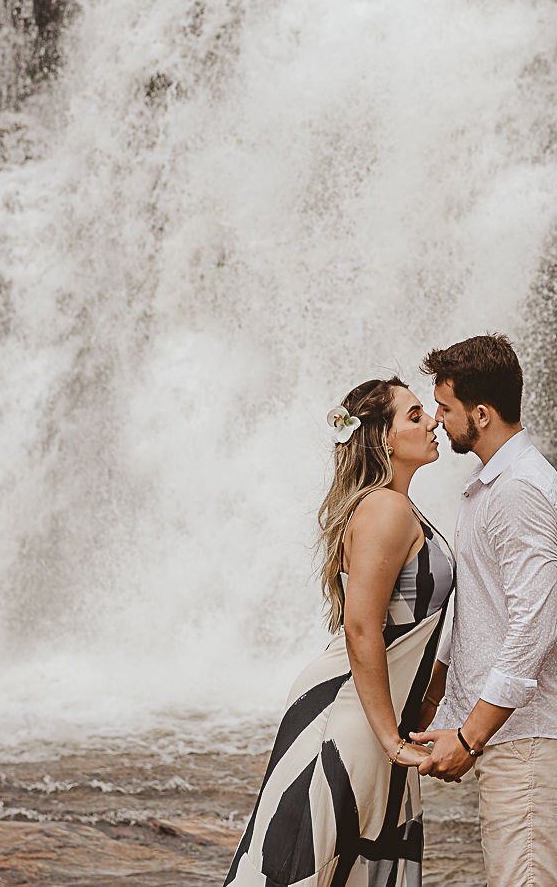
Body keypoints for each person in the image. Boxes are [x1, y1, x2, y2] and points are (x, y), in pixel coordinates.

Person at [224, 376, 454, 887]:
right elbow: (359, 626)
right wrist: (391, 741)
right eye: (415, 415)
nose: (434, 420)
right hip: (350, 717)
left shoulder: (396, 506)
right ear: (384, 438)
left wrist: (428, 695)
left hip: (375, 718)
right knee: (315, 867)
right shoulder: (385, 509)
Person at [409, 334, 557, 887]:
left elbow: (531, 629)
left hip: (532, 740)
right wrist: (432, 699)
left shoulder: (519, 490)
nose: (439, 422)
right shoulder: (492, 486)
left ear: (482, 413)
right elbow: (478, 607)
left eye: (445, 409)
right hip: (533, 735)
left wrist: (469, 738)